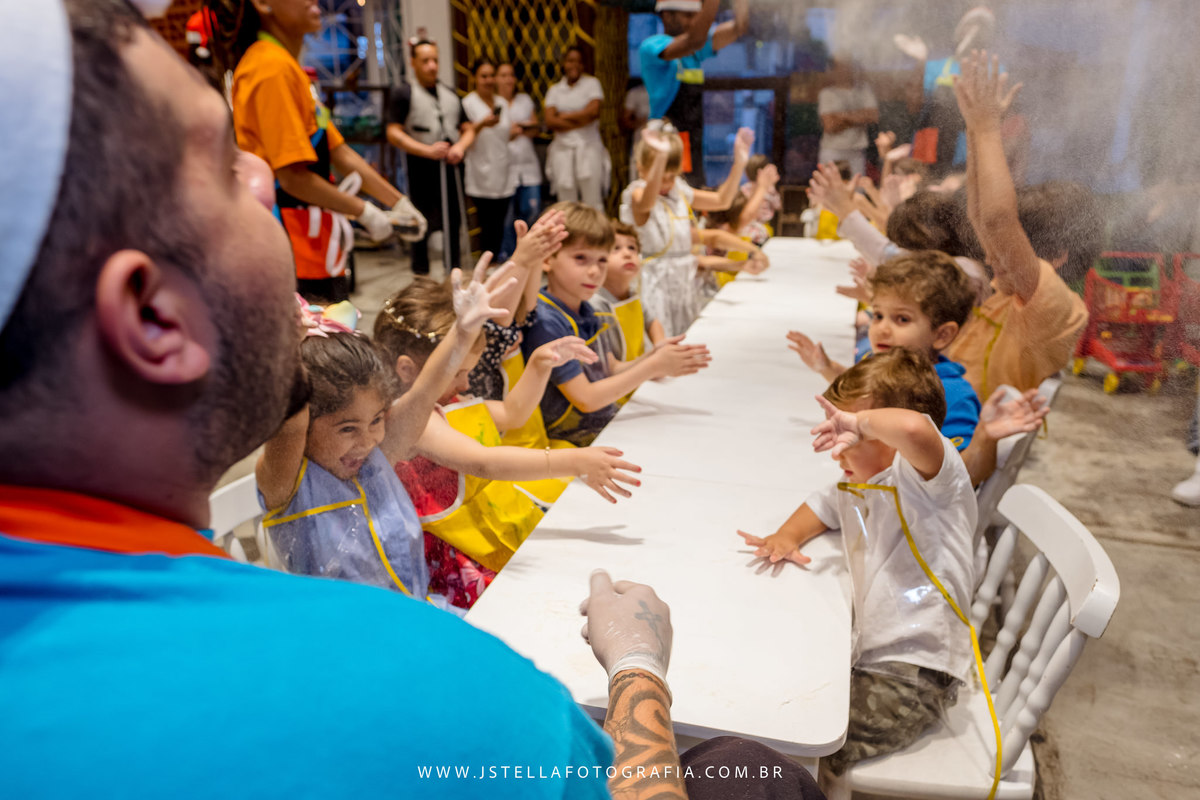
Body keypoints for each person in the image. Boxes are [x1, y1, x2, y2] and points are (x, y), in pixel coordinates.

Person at [0, 4, 687, 793]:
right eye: (228, 167)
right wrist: (638, 670)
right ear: (156, 319)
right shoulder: (430, 694)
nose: (266, 175)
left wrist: (464, 337)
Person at [737, 349, 977, 784]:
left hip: (912, 678)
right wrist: (787, 536)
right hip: (869, 655)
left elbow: (913, 427)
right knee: (773, 685)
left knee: (795, 742)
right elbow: (827, 502)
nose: (838, 448)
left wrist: (861, 421)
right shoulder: (866, 478)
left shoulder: (931, 482)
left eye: (852, 435)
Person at [256, 263, 514, 599]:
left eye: (377, 420)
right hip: (347, 645)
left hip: (417, 619)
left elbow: (423, 392)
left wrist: (463, 334)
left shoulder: (376, 459)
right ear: (306, 426)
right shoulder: (288, 485)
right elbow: (288, 427)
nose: (367, 441)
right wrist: (286, 358)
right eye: (347, 428)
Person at [216, 0, 425, 302]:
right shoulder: (269, 69)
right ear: (262, 4)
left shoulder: (288, 67)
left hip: (315, 244)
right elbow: (292, 177)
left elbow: (337, 150)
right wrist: (364, 211)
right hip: (289, 247)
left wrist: (398, 202)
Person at [948, 52, 1093, 400]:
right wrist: (973, 126)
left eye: (1012, 243)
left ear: (1056, 256)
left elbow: (998, 221)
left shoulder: (1056, 306)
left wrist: (986, 129)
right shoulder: (1011, 292)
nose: (992, 249)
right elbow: (982, 215)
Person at [522, 202, 712, 446]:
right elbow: (586, 399)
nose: (594, 271)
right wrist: (652, 367)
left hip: (602, 426)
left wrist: (655, 355)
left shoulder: (586, 308)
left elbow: (610, 368)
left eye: (602, 260)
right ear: (548, 259)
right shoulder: (547, 322)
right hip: (571, 441)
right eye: (581, 258)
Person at [787, 251, 981, 452]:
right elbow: (865, 393)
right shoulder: (879, 363)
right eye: (878, 315)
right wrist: (826, 367)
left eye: (902, 319)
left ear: (942, 335)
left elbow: (959, 470)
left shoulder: (954, 395)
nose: (882, 329)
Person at [620, 124, 754, 336]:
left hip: (683, 281)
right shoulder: (636, 193)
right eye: (661, 176)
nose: (666, 183)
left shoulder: (678, 191)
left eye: (672, 176)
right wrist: (661, 157)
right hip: (654, 283)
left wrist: (739, 163)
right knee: (660, 340)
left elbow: (722, 200)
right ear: (641, 169)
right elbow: (646, 203)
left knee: (687, 335)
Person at [387, 39, 477, 275]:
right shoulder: (404, 93)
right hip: (420, 168)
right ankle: (421, 276)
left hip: (451, 166)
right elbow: (393, 131)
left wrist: (460, 146)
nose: (432, 66)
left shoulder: (450, 94)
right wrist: (425, 150)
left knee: (453, 223)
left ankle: (453, 272)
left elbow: (468, 128)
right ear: (413, 63)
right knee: (420, 224)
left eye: (435, 60)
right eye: (425, 61)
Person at [638, 0, 749, 186]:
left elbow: (739, 28)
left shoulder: (694, 52)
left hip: (692, 139)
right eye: (688, 15)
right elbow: (695, 40)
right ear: (667, 15)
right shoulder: (652, 46)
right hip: (666, 137)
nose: (693, 22)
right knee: (667, 196)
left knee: (691, 193)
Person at [591, 221, 667, 369]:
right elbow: (608, 367)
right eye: (615, 248)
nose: (627, 254)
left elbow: (652, 321)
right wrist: (653, 361)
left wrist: (660, 345)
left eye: (632, 248)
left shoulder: (633, 295)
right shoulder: (595, 304)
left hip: (638, 374)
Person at [462, 58, 516, 261]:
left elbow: (503, 135)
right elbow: (465, 135)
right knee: (485, 225)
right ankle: (485, 268)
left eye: (491, 75)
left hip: (503, 171)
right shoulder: (468, 103)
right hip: (480, 173)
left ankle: (495, 265)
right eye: (483, 76)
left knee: (500, 225)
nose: (488, 80)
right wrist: (482, 124)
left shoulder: (501, 102)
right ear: (475, 78)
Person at [544, 46, 608, 211]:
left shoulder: (592, 84)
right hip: (562, 149)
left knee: (592, 198)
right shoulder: (555, 90)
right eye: (571, 61)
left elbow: (593, 112)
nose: (575, 65)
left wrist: (564, 116)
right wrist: (582, 119)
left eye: (579, 62)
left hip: (588, 147)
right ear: (564, 63)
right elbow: (550, 121)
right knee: (565, 200)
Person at [498, 61, 543, 260]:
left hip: (528, 166)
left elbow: (536, 127)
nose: (508, 79)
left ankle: (531, 254)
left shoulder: (524, 100)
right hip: (504, 167)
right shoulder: (493, 103)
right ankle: (507, 256)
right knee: (507, 217)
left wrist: (522, 129)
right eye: (503, 75)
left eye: (511, 75)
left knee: (531, 210)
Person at [817, 57, 878, 177]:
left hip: (856, 151)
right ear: (833, 70)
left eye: (848, 66)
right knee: (830, 190)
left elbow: (873, 116)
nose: (845, 71)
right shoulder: (827, 94)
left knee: (858, 191)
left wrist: (841, 116)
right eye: (841, 67)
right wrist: (859, 118)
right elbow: (830, 126)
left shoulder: (864, 90)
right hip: (832, 151)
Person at [619, 79, 650, 183]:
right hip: (641, 140)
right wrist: (643, 122)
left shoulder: (670, 88)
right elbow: (625, 120)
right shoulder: (636, 93)